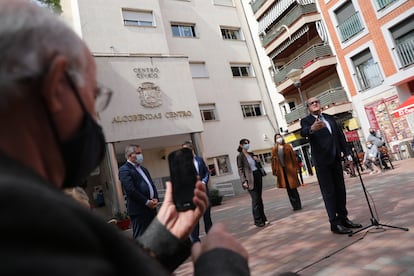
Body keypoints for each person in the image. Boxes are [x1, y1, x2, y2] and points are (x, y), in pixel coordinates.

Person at [0, 1, 249, 274]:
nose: (95, 117)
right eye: (93, 96)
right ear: (56, 87)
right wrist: (223, 263)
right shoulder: (27, 219)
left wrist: (164, 237)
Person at [300, 97, 362, 235]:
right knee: (329, 192)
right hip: (322, 162)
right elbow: (303, 132)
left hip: (336, 159)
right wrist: (312, 129)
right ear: (308, 107)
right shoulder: (307, 121)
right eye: (312, 103)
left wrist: (347, 154)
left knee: (340, 189)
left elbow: (340, 137)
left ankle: (343, 218)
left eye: (317, 102)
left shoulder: (329, 118)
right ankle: (334, 223)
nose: (315, 104)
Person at [119, 144, 159, 238]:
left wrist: (155, 198)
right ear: (129, 155)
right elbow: (130, 190)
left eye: (141, 153)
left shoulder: (143, 169)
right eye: (138, 153)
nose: (140, 155)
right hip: (139, 211)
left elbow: (151, 185)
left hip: (151, 209)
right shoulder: (124, 170)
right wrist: (146, 202)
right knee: (141, 238)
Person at [182, 140, 213, 243]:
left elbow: (206, 172)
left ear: (192, 149)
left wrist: (204, 182)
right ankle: (195, 241)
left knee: (207, 216)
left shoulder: (199, 160)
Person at [236, 138, 268, 227]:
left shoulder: (251, 154)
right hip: (250, 179)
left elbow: (258, 164)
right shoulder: (240, 156)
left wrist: (257, 160)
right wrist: (243, 181)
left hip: (257, 175)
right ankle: (257, 221)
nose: (247, 145)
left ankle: (263, 218)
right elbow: (240, 169)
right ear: (241, 145)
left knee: (260, 199)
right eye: (245, 143)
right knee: (255, 200)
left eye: (248, 143)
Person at [271, 134, 302, 211]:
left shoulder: (288, 146)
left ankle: (298, 204)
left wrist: (296, 168)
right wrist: (274, 170)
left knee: (293, 188)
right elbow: (273, 161)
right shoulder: (274, 149)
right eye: (277, 138)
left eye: (279, 137)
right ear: (275, 140)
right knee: (288, 189)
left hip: (290, 170)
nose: (279, 139)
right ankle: (294, 205)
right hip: (282, 171)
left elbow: (293, 158)